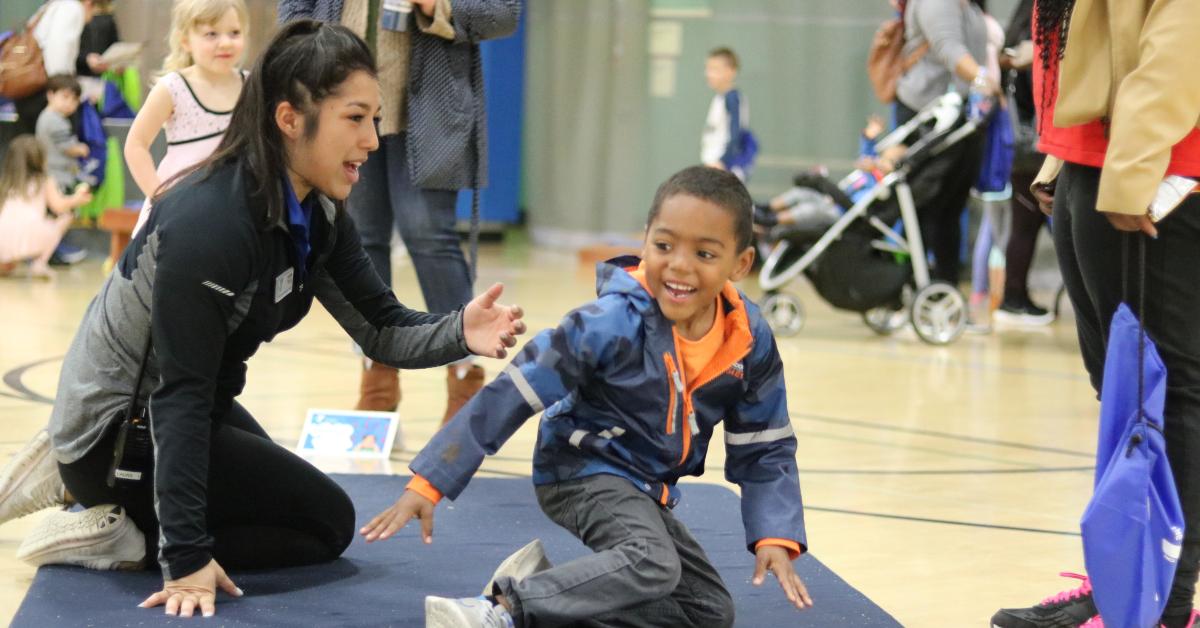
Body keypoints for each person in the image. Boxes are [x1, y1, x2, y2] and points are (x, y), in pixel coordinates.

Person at [0, 20, 526, 619]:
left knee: (284, 501)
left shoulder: (314, 208)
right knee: (326, 525)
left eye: (374, 119)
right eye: (355, 119)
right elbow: (180, 399)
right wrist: (185, 556)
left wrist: (461, 330)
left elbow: (379, 327)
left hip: (164, 407)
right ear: (289, 119)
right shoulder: (212, 225)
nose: (374, 141)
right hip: (123, 429)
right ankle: (119, 531)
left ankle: (101, 486)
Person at [362, 166, 811, 627]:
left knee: (706, 614)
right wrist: (431, 481)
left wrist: (774, 535)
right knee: (652, 561)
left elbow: (765, 445)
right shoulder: (610, 322)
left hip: (645, 486)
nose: (679, 264)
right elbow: (514, 391)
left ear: (741, 264)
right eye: (664, 245)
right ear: (645, 241)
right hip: (579, 468)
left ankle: (540, 588)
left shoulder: (748, 338)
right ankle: (498, 612)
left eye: (704, 252)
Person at [990, 0, 1200, 626]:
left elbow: (1177, 42)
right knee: (1121, 391)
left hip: (1157, 170)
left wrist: (1132, 165)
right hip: (1092, 161)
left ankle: (1163, 601)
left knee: (1169, 392)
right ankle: (1122, 583)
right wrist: (1061, 154)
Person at [277, 0, 521, 424]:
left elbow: (501, 14)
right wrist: (312, 53)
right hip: (339, 109)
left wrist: (436, 5)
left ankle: (463, 373)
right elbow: (293, 11)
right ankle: (376, 375)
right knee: (359, 237)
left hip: (427, 115)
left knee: (428, 236)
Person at [124, 0, 249, 235]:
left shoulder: (251, 85)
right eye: (211, 34)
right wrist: (160, 198)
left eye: (234, 33)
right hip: (179, 214)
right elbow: (136, 145)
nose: (225, 43)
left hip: (234, 210)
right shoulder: (172, 87)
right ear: (185, 41)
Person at [894, 0, 995, 283]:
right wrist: (983, 80)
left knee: (951, 206)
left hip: (960, 115)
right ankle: (907, 287)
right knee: (923, 204)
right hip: (927, 115)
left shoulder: (970, 5)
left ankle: (945, 287)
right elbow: (949, 48)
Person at [992, 0, 1054, 327]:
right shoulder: (1037, 50)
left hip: (1020, 150)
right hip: (1037, 150)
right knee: (1025, 226)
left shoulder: (1011, 52)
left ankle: (1014, 296)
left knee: (1022, 225)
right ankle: (1013, 299)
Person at [0, 135, 93, 278]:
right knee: (66, 217)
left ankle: (6, 262)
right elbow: (59, 206)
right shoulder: (44, 180)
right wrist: (77, 199)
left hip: (3, 239)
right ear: (40, 160)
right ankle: (39, 264)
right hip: (33, 234)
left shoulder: (6, 183)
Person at [701, 47, 753, 181]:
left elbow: (735, 134)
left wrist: (723, 161)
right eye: (707, 69)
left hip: (723, 168)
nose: (709, 74)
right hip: (713, 165)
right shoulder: (720, 98)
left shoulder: (733, 99)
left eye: (715, 69)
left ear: (731, 71)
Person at [34, 75, 90, 195]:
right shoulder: (55, 121)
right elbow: (67, 147)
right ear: (50, 95)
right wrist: (82, 149)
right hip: (58, 176)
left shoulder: (46, 116)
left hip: (52, 174)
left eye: (75, 99)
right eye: (65, 97)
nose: (69, 103)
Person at [76, 0, 120, 78]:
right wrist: (86, 58)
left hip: (103, 74)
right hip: (79, 73)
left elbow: (115, 43)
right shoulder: (73, 10)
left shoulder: (108, 15)